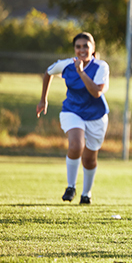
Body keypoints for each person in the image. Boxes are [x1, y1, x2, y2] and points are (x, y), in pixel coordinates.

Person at [37, 32, 109, 205]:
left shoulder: (101, 67)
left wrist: (81, 72)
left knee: (90, 159)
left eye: (86, 46)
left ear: (93, 49)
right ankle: (71, 186)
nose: (82, 49)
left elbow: (96, 92)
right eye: (78, 46)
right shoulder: (66, 64)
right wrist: (43, 100)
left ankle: (86, 194)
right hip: (72, 111)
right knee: (76, 145)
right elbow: (48, 73)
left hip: (96, 116)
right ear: (74, 49)